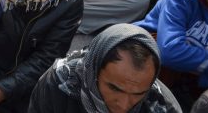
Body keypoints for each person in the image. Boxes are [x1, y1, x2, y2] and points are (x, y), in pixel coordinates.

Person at [28, 24, 181, 113]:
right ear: (94, 70)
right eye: (114, 88)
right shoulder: (58, 84)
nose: (123, 105)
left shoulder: (162, 106)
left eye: (139, 93)